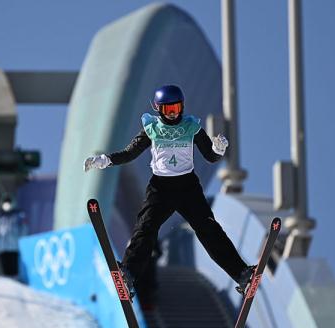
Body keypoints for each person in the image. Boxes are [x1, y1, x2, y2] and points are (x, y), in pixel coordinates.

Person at [84, 84, 254, 299]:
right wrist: (105, 160)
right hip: (160, 188)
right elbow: (129, 154)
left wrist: (218, 150)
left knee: (209, 229)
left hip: (187, 187)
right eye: (168, 110)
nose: (173, 114)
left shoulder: (191, 127)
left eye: (176, 108)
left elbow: (210, 157)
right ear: (158, 109)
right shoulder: (152, 129)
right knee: (146, 228)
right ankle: (127, 273)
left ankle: (242, 274)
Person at [0, 197, 28, 276]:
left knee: (14, 269)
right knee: (5, 269)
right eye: (5, 204)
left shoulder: (19, 216)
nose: (6, 206)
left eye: (8, 204)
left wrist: (21, 242)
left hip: (14, 247)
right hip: (2, 248)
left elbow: (24, 229)